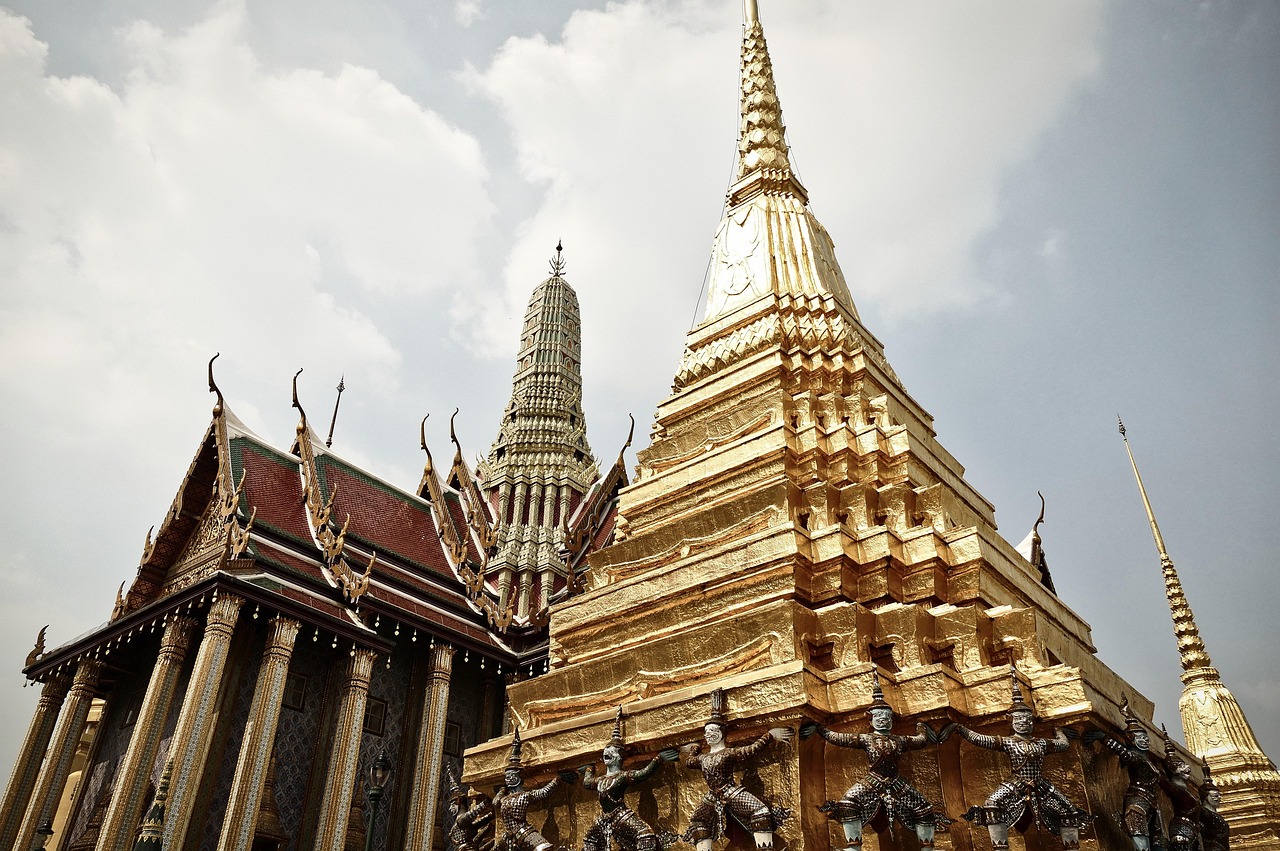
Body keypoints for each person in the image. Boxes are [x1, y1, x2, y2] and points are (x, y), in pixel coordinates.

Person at [802, 670, 950, 851]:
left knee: (923, 806)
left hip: (897, 782)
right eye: (878, 717)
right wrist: (819, 728)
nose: (883, 720)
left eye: (887, 717)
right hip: (873, 780)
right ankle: (853, 846)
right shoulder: (866, 739)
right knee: (848, 802)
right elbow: (837, 737)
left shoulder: (900, 740)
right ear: (871, 720)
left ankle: (928, 847)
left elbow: (920, 741)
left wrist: (921, 726)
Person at [950, 667, 1090, 851]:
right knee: (992, 804)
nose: (1024, 723)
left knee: (1069, 810)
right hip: (1016, 782)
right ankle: (1000, 847)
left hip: (1040, 783)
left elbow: (1062, 745)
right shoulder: (1008, 742)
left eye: (1027, 720)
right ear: (1012, 722)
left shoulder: (1041, 743)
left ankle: (1072, 847)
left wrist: (1060, 732)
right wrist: (959, 728)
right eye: (1019, 720)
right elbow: (981, 739)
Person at [682, 688, 793, 851]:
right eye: (706, 732)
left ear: (721, 733)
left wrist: (769, 735)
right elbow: (689, 762)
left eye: (712, 731)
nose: (708, 735)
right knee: (698, 821)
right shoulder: (703, 758)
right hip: (712, 796)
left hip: (730, 791)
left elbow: (752, 749)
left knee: (760, 811)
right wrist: (695, 748)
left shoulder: (729, 753)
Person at [581, 707, 677, 851]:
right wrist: (588, 769)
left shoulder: (623, 776)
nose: (607, 753)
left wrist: (658, 759)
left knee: (645, 835)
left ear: (619, 757)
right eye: (606, 752)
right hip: (605, 817)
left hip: (621, 814)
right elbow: (587, 783)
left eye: (611, 752)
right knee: (590, 840)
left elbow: (643, 774)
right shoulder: (600, 780)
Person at [1095, 697, 1166, 850]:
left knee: (1159, 842)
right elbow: (1124, 753)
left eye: (1146, 738)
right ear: (1131, 739)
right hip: (1137, 802)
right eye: (1141, 738)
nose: (1146, 741)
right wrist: (1104, 738)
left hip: (1151, 803)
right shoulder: (1136, 757)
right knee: (1141, 843)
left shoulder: (1147, 760)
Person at [495, 728, 576, 851]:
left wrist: (558, 779)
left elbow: (543, 792)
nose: (508, 780)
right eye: (506, 777)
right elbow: (495, 802)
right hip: (508, 837)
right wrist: (501, 790)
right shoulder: (504, 799)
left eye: (511, 777)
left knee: (543, 849)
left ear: (519, 777)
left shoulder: (525, 796)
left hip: (523, 832)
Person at [1160, 727, 1202, 851]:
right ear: (1173, 770)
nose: (1187, 768)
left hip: (1192, 831)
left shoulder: (1188, 791)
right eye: (1181, 766)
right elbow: (1162, 781)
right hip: (1181, 832)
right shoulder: (1175, 789)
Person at [446, 763, 494, 851]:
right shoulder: (461, 822)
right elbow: (475, 824)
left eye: (453, 804)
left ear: (458, 801)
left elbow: (474, 812)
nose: (450, 808)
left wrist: (486, 802)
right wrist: (489, 816)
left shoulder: (461, 820)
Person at [1198, 764, 1230, 851]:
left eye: (1219, 796)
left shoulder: (1214, 814)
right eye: (1215, 796)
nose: (1218, 798)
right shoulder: (1204, 812)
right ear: (1206, 797)